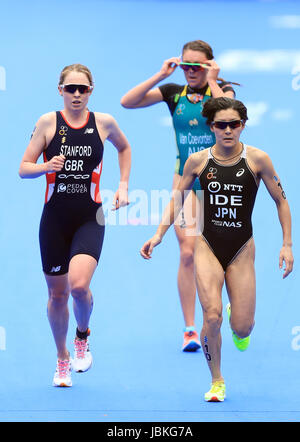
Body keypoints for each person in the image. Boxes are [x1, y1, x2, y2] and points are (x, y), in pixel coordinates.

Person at [140, 97, 293, 401]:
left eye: (233, 124)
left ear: (242, 126)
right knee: (211, 316)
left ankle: (237, 315)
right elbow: (177, 198)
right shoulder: (197, 161)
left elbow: (281, 200)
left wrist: (287, 244)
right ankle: (217, 380)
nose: (227, 130)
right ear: (211, 127)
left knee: (243, 328)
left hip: (241, 248)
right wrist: (158, 234)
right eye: (221, 125)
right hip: (207, 244)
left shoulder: (258, 160)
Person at [19, 64, 131, 387]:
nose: (77, 94)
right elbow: (22, 168)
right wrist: (45, 167)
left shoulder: (104, 123)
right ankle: (62, 357)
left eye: (83, 89)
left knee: (79, 286)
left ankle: (82, 335)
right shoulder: (48, 123)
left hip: (89, 217)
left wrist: (124, 185)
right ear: (61, 91)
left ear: (91, 90)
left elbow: (124, 148)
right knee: (57, 295)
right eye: (71, 89)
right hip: (54, 220)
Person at [121, 40, 237, 351]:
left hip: (221, 182)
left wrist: (213, 79)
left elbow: (229, 113)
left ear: (210, 65)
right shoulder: (175, 93)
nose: (189, 71)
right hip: (186, 181)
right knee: (187, 252)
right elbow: (127, 102)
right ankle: (189, 327)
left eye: (196, 66)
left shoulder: (221, 89)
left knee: (222, 254)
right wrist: (160, 74)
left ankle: (230, 303)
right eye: (185, 65)